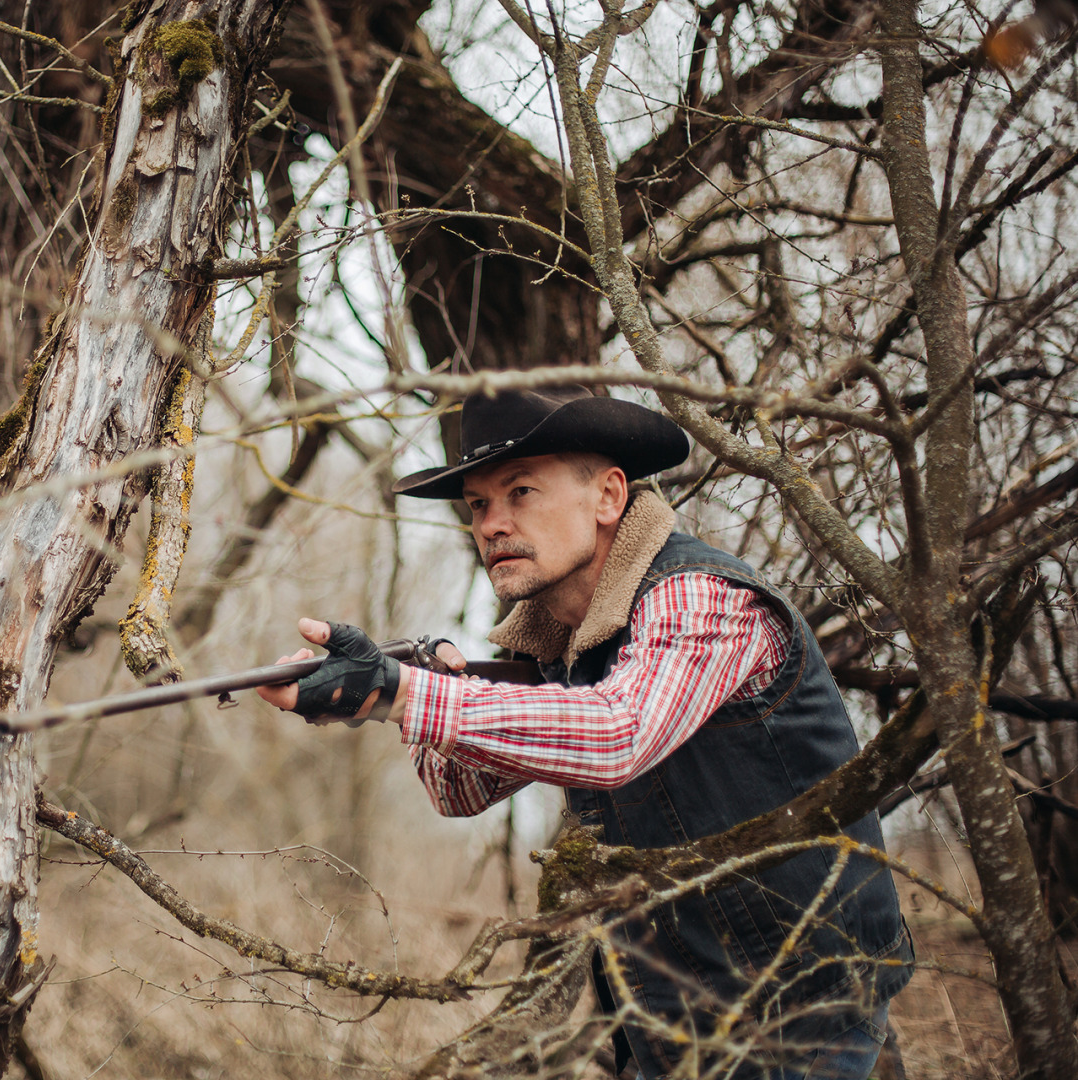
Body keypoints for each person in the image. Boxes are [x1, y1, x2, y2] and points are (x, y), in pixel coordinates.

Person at [257, 386, 911, 1080]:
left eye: (521, 491)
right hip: (669, 1032)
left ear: (608, 497)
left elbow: (615, 734)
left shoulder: (700, 598)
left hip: (798, 1027)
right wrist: (388, 694)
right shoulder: (560, 641)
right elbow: (458, 792)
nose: (491, 524)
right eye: (478, 504)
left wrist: (403, 691)